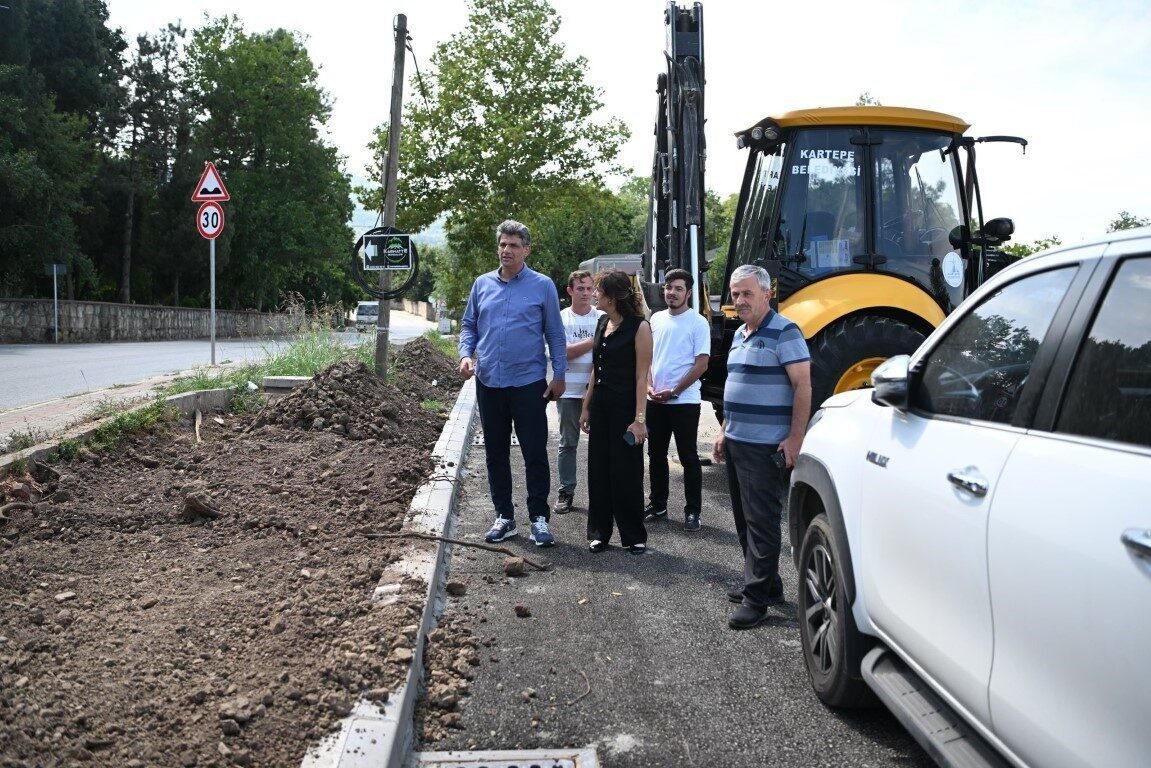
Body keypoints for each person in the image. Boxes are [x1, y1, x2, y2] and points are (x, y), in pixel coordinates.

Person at [712, 264, 811, 629]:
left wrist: (795, 438)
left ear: (767, 294)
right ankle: (768, 586)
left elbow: (803, 386)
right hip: (738, 440)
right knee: (743, 522)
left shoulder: (785, 332)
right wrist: (724, 430)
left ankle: (756, 601)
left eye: (747, 293)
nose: (740, 300)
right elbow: (735, 388)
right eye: (736, 294)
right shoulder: (739, 333)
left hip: (765, 445)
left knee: (762, 523)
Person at [458, 220, 567, 547]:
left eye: (514, 245)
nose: (507, 250)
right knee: (495, 453)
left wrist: (559, 375)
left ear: (526, 250)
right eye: (503, 244)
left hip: (529, 383)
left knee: (534, 452)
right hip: (489, 381)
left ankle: (538, 519)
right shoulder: (482, 284)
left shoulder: (542, 285)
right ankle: (505, 517)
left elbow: (555, 334)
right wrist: (466, 354)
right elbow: (469, 326)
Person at [580, 269, 653, 554]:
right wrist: (586, 406)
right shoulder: (601, 323)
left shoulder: (640, 327)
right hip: (601, 408)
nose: (594, 295)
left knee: (626, 473)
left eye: (598, 290)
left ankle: (634, 535)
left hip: (626, 412)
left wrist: (639, 421)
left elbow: (641, 378)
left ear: (611, 296)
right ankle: (599, 533)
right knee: (598, 470)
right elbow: (595, 369)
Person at [644, 268, 711, 531]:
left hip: (684, 402)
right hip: (655, 401)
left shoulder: (698, 322)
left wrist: (673, 391)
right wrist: (650, 386)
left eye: (678, 288)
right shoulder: (656, 319)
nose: (671, 292)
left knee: (688, 457)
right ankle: (658, 505)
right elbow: (648, 356)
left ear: (689, 292)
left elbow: (701, 364)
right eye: (669, 287)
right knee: (655, 455)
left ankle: (693, 511)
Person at [553, 270, 602, 514]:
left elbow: (608, 355)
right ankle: (566, 490)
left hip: (600, 392)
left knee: (602, 445)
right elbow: (563, 353)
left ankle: (603, 493)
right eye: (580, 288)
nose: (586, 293)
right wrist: (595, 341)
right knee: (568, 443)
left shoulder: (603, 317)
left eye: (589, 288)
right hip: (569, 392)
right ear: (570, 291)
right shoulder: (560, 319)